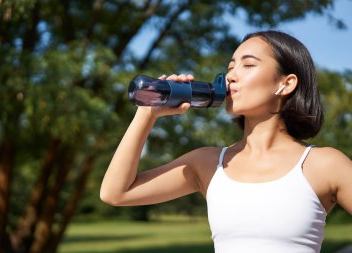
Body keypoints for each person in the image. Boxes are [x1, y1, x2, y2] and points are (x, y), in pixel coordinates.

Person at [100, 30, 352, 253]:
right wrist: (148, 113)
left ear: (285, 84)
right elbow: (116, 193)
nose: (230, 76)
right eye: (230, 66)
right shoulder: (208, 163)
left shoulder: (324, 165)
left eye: (248, 65)